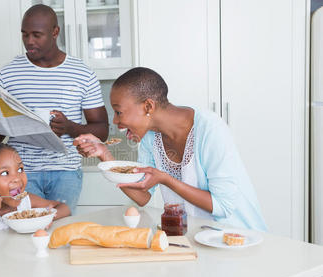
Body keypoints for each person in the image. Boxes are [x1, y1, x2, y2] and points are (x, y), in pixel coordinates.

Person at [74, 67, 267, 231]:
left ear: (148, 106)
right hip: (194, 236)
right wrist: (104, 155)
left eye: (118, 112)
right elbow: (143, 195)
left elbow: (222, 206)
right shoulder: (151, 138)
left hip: (236, 236)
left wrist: (167, 179)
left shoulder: (210, 129)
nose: (116, 121)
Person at [0, 4, 109, 214]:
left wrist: (69, 127)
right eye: (25, 35)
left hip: (65, 172)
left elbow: (102, 130)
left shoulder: (82, 74)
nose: (29, 41)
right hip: (20, 175)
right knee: (21, 236)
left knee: (59, 235)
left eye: (36, 35)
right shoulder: (7, 75)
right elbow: (0, 133)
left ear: (55, 32)